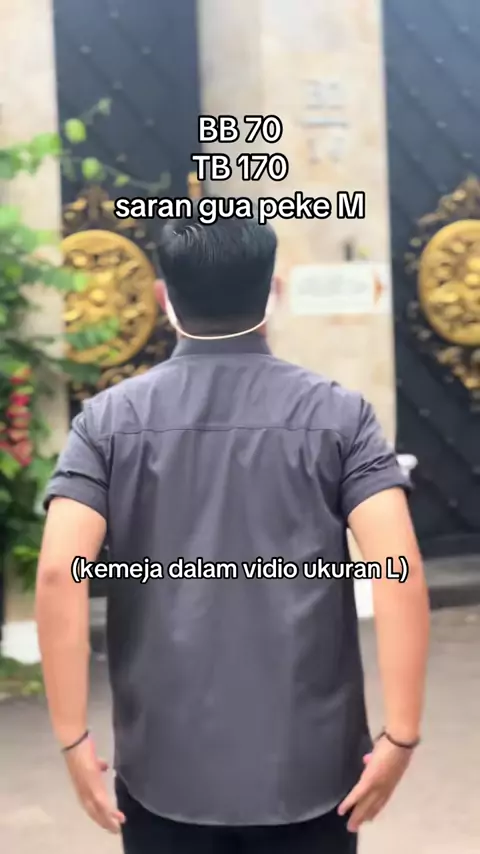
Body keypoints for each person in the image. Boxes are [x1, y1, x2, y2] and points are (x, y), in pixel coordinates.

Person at [36, 207, 430, 854]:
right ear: (271, 291)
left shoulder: (106, 423)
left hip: (164, 769)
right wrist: (402, 733)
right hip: (312, 770)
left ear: (163, 296)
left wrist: (72, 736)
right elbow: (399, 568)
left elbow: (59, 572)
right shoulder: (342, 416)